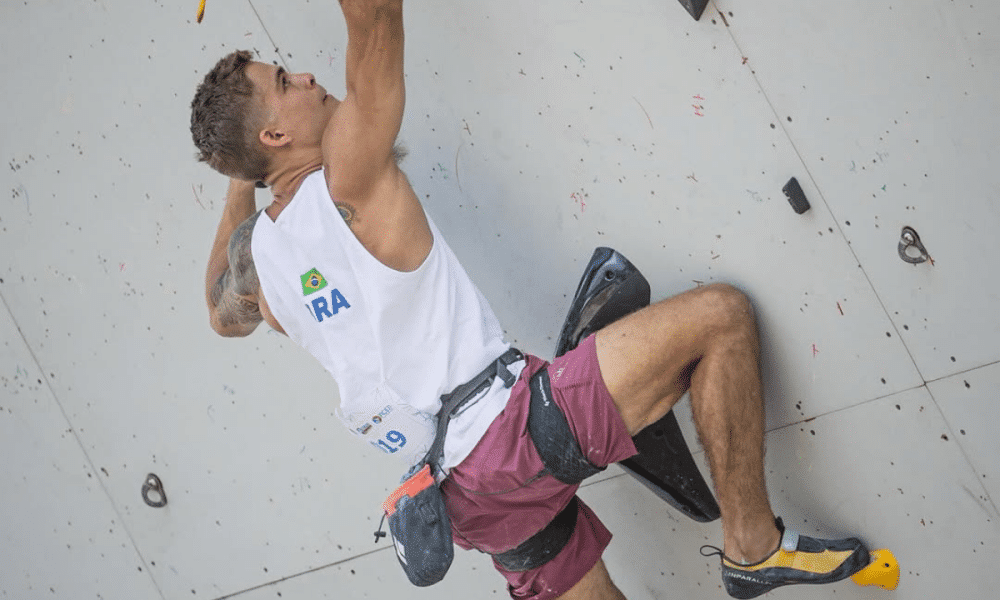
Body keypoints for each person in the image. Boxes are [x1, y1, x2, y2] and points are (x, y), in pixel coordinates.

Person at [189, 2, 871, 599]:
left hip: (461, 501)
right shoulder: (349, 175)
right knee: (720, 318)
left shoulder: (262, 265)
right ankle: (751, 545)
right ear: (275, 137)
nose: (305, 76)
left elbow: (220, 311)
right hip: (507, 435)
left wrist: (240, 173)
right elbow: (375, 17)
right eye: (284, 83)